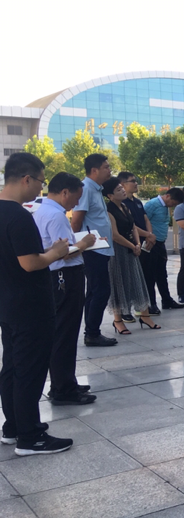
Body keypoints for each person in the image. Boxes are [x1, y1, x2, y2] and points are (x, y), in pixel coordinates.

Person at [0, 152, 74, 455]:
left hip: (7, 302)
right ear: (26, 179)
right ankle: (30, 437)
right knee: (29, 370)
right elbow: (30, 263)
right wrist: (56, 252)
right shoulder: (19, 216)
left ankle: (13, 427)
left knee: (12, 366)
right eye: (41, 182)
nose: (41, 189)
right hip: (30, 305)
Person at [33, 173, 98, 406]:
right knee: (65, 333)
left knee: (64, 331)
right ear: (64, 193)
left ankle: (65, 382)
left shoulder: (43, 211)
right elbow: (63, 252)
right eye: (76, 198)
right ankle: (63, 389)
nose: (77, 204)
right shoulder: (56, 215)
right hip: (65, 277)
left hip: (58, 276)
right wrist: (84, 243)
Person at [71, 153, 117, 347]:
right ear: (94, 170)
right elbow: (76, 220)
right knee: (101, 291)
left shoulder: (96, 189)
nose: (109, 170)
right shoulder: (86, 189)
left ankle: (91, 331)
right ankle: (92, 332)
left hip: (101, 248)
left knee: (94, 291)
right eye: (106, 167)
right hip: (92, 250)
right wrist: (77, 246)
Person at [103, 178, 160, 333]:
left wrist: (137, 243)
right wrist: (132, 246)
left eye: (122, 188)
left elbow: (133, 226)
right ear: (110, 196)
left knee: (138, 281)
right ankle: (118, 321)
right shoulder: (108, 211)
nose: (122, 191)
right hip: (118, 252)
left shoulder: (125, 207)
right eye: (118, 190)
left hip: (132, 249)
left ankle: (145, 316)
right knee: (119, 284)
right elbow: (115, 235)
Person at [118, 171, 157, 318]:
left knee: (147, 276)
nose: (136, 184)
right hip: (131, 245)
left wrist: (150, 235)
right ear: (123, 184)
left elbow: (146, 219)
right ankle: (125, 310)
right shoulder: (122, 204)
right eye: (132, 181)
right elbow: (131, 225)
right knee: (129, 278)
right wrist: (147, 235)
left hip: (144, 244)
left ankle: (147, 305)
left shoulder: (138, 202)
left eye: (136, 181)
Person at [143, 188, 184, 310]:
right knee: (150, 275)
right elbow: (142, 221)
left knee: (162, 274)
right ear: (167, 196)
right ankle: (151, 304)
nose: (172, 206)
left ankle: (166, 300)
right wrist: (148, 236)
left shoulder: (165, 206)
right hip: (151, 244)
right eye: (173, 203)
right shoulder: (152, 204)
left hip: (160, 244)